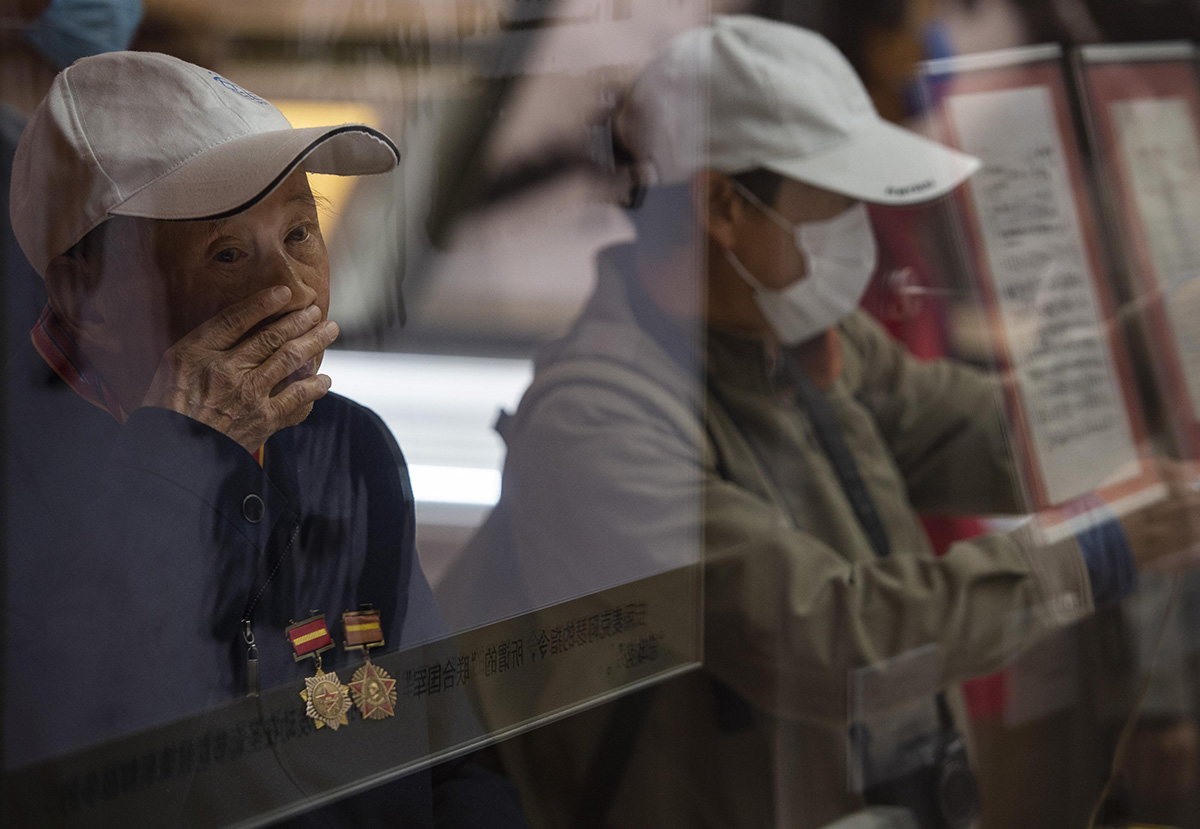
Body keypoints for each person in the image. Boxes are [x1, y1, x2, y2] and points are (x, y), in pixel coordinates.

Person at [470, 16, 1200, 829]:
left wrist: (1156, 347)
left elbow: (986, 433)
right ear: (722, 203)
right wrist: (1095, 552)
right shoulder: (594, 426)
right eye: (835, 202)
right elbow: (826, 636)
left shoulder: (791, 333)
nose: (857, 229)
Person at [4, 50, 527, 827]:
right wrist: (183, 451)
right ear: (90, 294)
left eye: (301, 230)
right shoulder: (27, 483)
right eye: (227, 253)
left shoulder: (347, 448)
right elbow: (98, 780)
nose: (290, 288)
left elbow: (450, 753)